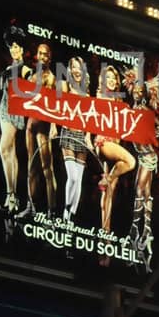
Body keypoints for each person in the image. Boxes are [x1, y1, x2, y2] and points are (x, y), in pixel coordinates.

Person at [92, 63, 135, 235]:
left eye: (113, 78)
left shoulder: (119, 101)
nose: (110, 81)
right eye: (107, 78)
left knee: (110, 193)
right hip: (104, 142)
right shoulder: (101, 96)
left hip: (115, 145)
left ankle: (106, 232)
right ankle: (107, 178)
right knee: (131, 162)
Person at [126, 73, 159, 263]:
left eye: (141, 91)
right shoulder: (132, 108)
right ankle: (146, 227)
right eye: (136, 90)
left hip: (148, 155)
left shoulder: (144, 110)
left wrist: (152, 135)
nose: (137, 93)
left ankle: (135, 227)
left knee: (139, 189)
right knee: (145, 191)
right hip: (141, 156)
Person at [19, 40, 58, 221]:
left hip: (43, 127)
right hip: (30, 126)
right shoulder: (32, 76)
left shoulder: (50, 78)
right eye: (40, 53)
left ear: (49, 57)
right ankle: (31, 206)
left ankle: (51, 211)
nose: (42, 56)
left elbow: (53, 106)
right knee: (31, 167)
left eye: (45, 53)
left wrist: (53, 127)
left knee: (47, 169)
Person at [0, 26, 32, 216]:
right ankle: (11, 196)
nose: (14, 50)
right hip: (3, 109)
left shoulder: (25, 69)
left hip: (14, 111)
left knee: (4, 148)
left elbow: (32, 86)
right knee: (8, 152)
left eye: (17, 47)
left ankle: (12, 194)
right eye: (12, 46)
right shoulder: (7, 68)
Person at [56, 51, 92, 222]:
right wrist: (52, 127)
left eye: (80, 68)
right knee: (73, 177)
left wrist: (89, 138)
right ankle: (65, 210)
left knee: (79, 180)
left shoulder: (87, 94)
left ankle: (71, 218)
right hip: (68, 134)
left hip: (82, 138)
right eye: (74, 68)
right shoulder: (64, 86)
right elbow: (54, 107)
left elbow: (91, 120)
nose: (77, 71)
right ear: (70, 70)